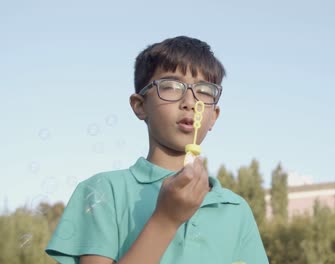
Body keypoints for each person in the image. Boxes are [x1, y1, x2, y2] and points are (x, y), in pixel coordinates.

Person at [45, 36, 269, 264]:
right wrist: (165, 220)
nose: (190, 102)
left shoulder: (236, 209)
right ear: (140, 106)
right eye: (171, 86)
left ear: (214, 117)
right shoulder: (104, 191)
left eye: (204, 90)